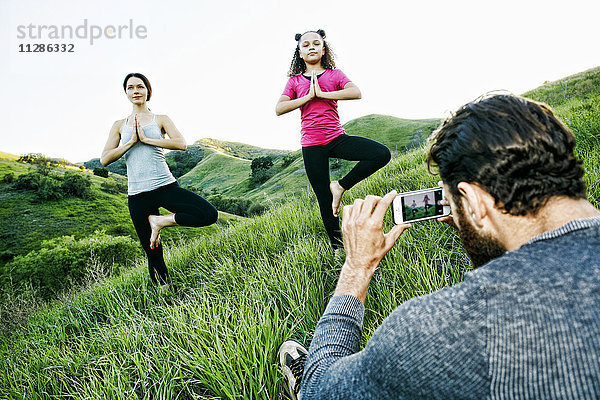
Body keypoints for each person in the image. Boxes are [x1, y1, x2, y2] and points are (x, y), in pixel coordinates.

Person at [278, 94, 600, 399]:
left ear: (474, 201)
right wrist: (479, 235)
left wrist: (356, 267)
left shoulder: (435, 329)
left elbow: (323, 391)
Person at [275, 29, 391, 251]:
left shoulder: (334, 75)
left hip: (336, 138)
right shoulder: (294, 81)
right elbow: (279, 108)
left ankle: (340, 186)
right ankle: (338, 248)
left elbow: (355, 92)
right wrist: (307, 97)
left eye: (316, 43)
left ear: (323, 49)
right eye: (306, 44)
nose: (311, 47)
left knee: (381, 154)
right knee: (324, 200)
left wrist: (323, 94)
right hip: (311, 146)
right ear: (299, 53)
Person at [100, 72, 218, 287]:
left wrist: (147, 139)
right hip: (137, 194)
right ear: (126, 93)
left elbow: (180, 143)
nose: (136, 91)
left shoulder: (160, 119)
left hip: (164, 185)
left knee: (208, 214)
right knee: (152, 250)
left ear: (148, 90)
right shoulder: (119, 125)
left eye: (140, 86)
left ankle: (160, 221)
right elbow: (105, 158)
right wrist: (129, 143)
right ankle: (164, 294)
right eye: (130, 87)